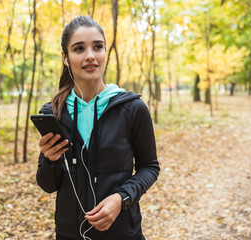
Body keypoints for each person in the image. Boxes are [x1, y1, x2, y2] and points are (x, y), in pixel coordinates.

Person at [36, 16, 159, 240]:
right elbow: (48, 185)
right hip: (69, 233)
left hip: (122, 232)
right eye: (79, 49)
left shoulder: (132, 108)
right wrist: (49, 160)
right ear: (65, 58)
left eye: (97, 47)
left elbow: (149, 167)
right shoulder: (53, 113)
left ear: (105, 53)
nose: (90, 56)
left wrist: (121, 198)